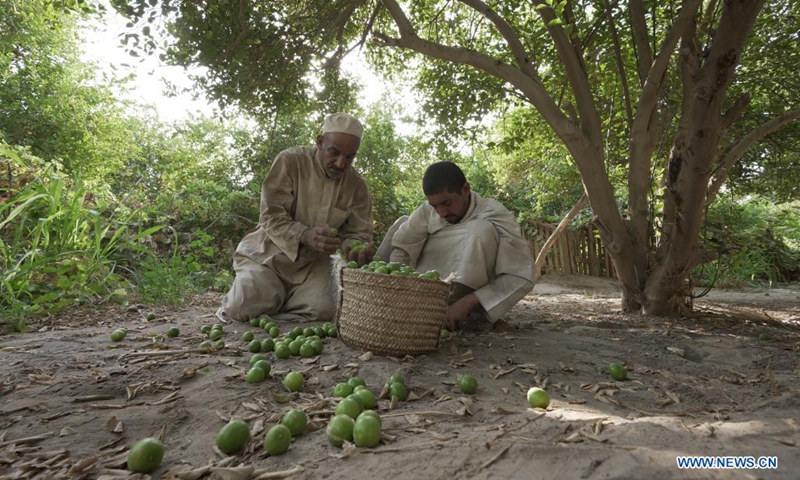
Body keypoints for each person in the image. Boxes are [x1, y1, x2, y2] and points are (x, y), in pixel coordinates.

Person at [217, 113, 375, 323]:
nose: (340, 163)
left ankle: (276, 303)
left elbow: (359, 233)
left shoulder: (356, 186)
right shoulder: (290, 161)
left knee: (326, 311)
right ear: (320, 142)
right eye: (334, 153)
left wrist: (355, 245)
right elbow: (271, 215)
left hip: (313, 265)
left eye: (349, 157)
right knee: (241, 306)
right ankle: (265, 295)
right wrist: (304, 234)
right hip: (268, 256)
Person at [376, 161, 533, 331]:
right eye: (434, 206)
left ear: (465, 190)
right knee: (403, 223)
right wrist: (394, 289)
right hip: (424, 290)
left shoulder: (495, 214)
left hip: (468, 296)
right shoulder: (428, 211)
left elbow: (520, 275)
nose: (441, 213)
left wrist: (469, 302)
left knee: (481, 229)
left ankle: (467, 315)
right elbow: (403, 247)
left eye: (447, 203)